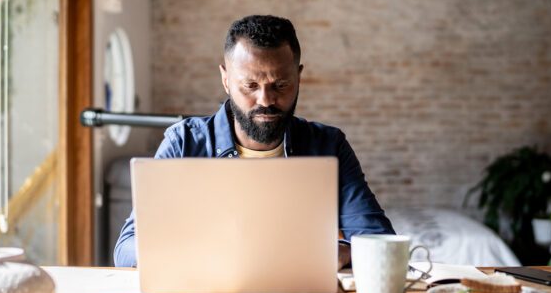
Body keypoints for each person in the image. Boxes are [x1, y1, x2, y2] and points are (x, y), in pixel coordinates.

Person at [114, 15, 395, 268]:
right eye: (250, 86)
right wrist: (199, 251)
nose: (266, 100)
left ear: (299, 77)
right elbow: (126, 249)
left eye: (280, 85)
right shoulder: (184, 142)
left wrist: (341, 252)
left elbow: (379, 240)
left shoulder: (328, 144)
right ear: (226, 79)